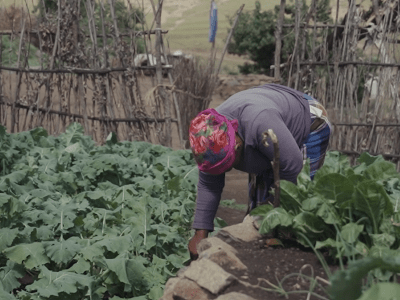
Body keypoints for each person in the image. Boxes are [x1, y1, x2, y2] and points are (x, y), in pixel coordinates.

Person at [187, 83, 332, 260]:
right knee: (259, 214)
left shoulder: (259, 122)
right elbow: (209, 185)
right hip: (267, 124)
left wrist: (277, 215)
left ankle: (302, 255)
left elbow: (293, 167)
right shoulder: (209, 138)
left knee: (298, 201)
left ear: (238, 145)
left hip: (308, 121)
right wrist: (200, 235)